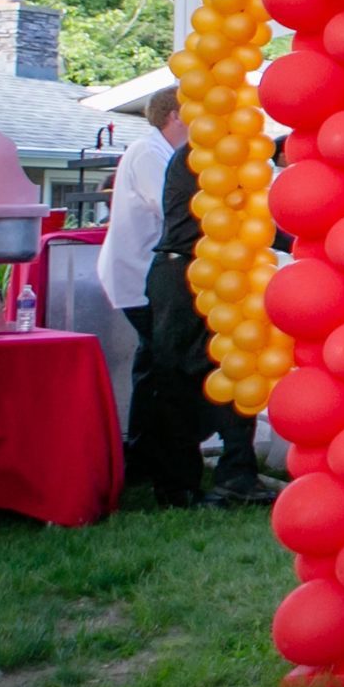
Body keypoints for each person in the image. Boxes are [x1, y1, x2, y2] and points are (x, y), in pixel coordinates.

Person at [131, 129, 274, 508]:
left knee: (237, 369)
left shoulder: (234, 159)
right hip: (184, 277)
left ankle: (237, 475)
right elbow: (235, 218)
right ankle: (177, 487)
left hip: (224, 277)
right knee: (178, 381)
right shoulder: (198, 158)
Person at [98, 86, 183, 439]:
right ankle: (155, 446)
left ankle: (142, 448)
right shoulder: (149, 152)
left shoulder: (161, 152)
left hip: (145, 272)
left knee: (152, 362)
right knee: (165, 361)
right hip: (139, 274)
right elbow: (170, 209)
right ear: (175, 115)